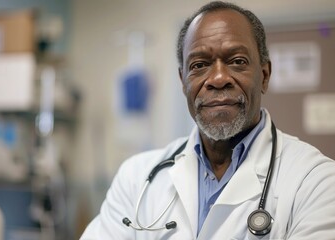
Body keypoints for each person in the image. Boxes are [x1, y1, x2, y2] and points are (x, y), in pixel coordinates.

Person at [80, 1, 335, 239]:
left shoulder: (316, 182)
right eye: (199, 65)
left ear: (265, 76)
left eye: (237, 61)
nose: (218, 78)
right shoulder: (136, 178)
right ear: (183, 82)